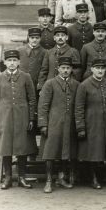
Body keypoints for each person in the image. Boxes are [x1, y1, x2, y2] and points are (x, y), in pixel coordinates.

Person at [0, 49, 37, 189]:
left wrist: (31, 119)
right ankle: (8, 178)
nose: (12, 63)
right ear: (5, 62)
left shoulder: (26, 77)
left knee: (22, 147)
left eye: (14, 60)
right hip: (5, 117)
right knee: (6, 147)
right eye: (9, 60)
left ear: (19, 62)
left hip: (22, 116)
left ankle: (22, 177)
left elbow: (32, 99)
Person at [74, 59, 106, 189]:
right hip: (92, 123)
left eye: (102, 68)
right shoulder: (84, 85)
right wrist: (80, 127)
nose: (100, 71)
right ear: (92, 69)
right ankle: (93, 178)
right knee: (93, 151)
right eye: (97, 68)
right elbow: (79, 108)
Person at [37, 56, 79, 193]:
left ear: (71, 69)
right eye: (63, 68)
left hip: (69, 124)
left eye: (68, 68)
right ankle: (48, 180)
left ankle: (61, 178)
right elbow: (43, 106)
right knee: (50, 152)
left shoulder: (76, 85)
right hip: (53, 123)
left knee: (65, 151)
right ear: (58, 69)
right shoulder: (50, 84)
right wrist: (43, 124)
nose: (65, 71)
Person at [80, 22, 106, 90]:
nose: (100, 33)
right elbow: (82, 67)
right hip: (90, 80)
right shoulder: (86, 47)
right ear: (93, 32)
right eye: (97, 31)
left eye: (102, 31)